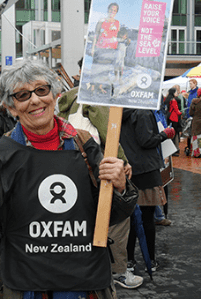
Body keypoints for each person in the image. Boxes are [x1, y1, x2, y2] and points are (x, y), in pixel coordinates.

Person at [0, 60, 138, 298]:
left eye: (41, 90)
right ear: (11, 107)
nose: (35, 100)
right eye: (22, 95)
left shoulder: (83, 145)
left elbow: (113, 214)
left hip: (84, 283)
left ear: (55, 95)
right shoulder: (1, 156)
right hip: (27, 284)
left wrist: (120, 188)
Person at [57, 86, 143, 289]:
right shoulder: (95, 94)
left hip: (68, 164)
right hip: (97, 164)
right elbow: (108, 129)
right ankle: (118, 271)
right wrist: (122, 159)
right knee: (116, 217)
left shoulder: (67, 98)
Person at [119, 109, 175, 273]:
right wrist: (165, 134)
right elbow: (146, 141)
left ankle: (130, 260)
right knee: (147, 219)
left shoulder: (118, 111)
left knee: (129, 220)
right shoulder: (142, 112)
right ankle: (150, 260)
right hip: (146, 170)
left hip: (128, 169)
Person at [90, 3, 120, 94]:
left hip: (111, 49)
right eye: (111, 9)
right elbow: (96, 34)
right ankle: (92, 87)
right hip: (100, 48)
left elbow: (116, 36)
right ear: (108, 10)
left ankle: (100, 87)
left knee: (105, 69)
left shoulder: (117, 23)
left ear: (116, 12)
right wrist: (93, 47)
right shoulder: (101, 21)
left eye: (114, 10)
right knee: (96, 68)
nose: (112, 11)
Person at [164, 87, 182, 155]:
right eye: (175, 92)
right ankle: (174, 150)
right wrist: (181, 112)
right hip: (174, 118)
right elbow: (177, 111)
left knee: (170, 132)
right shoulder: (174, 100)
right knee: (174, 134)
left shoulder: (167, 99)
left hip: (169, 118)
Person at [185, 79, 199, 154]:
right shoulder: (190, 93)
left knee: (196, 133)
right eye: (189, 83)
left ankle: (196, 148)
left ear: (195, 84)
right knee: (189, 133)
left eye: (191, 83)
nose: (190, 85)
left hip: (195, 116)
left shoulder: (196, 93)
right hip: (189, 116)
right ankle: (190, 148)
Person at [189, 88, 201, 158]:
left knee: (196, 137)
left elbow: (190, 113)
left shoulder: (194, 102)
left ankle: (196, 153)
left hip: (196, 121)